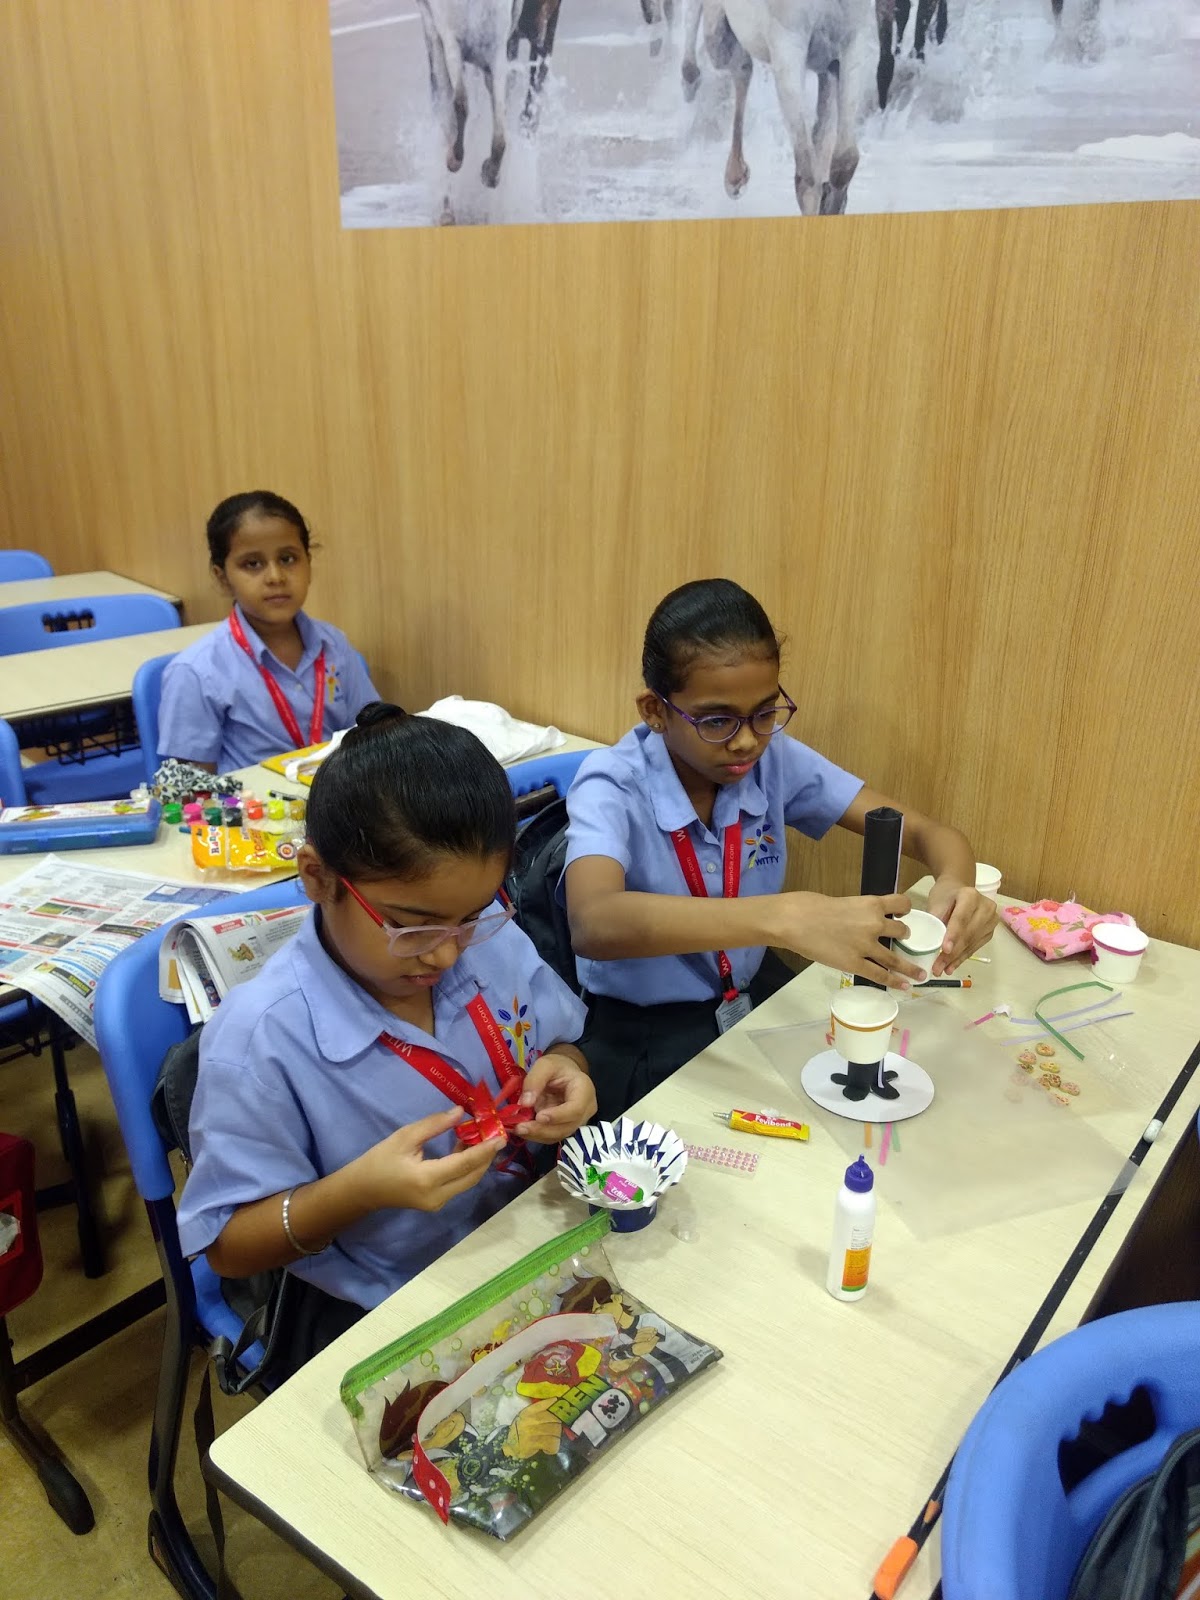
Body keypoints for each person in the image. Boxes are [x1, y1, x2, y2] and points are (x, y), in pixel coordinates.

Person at [176, 705, 597, 1369]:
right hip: (391, 1303)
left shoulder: (484, 941)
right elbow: (227, 1246)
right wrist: (359, 1191)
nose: (447, 952)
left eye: (471, 916)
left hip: (531, 1230)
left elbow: (562, 1043)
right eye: (411, 926)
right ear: (317, 877)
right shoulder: (262, 1041)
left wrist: (570, 1071)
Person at [563, 579, 997, 1118]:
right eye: (717, 720)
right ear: (656, 710)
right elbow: (594, 922)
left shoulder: (771, 760)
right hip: (643, 1031)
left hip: (747, 998)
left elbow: (932, 834)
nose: (747, 739)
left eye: (765, 713)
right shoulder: (610, 783)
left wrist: (957, 883)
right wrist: (783, 917)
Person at [157, 490, 380, 773]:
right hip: (251, 802)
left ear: (308, 564)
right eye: (253, 564)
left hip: (336, 794)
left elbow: (374, 734)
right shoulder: (197, 672)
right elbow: (193, 786)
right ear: (222, 578)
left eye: (288, 559)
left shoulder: (334, 644)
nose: (276, 577)